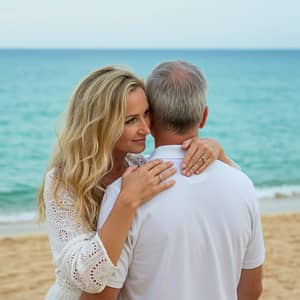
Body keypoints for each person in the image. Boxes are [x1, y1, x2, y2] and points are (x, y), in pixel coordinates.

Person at [37, 66, 235, 300]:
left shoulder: (140, 165)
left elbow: (232, 191)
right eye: (131, 120)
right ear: (100, 124)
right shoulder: (63, 181)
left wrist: (218, 154)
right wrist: (125, 202)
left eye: (147, 114)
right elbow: (85, 276)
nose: (146, 128)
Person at [86, 61, 265, 300]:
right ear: (203, 117)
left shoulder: (125, 193)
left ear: (151, 119)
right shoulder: (243, 186)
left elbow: (102, 297)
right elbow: (252, 290)